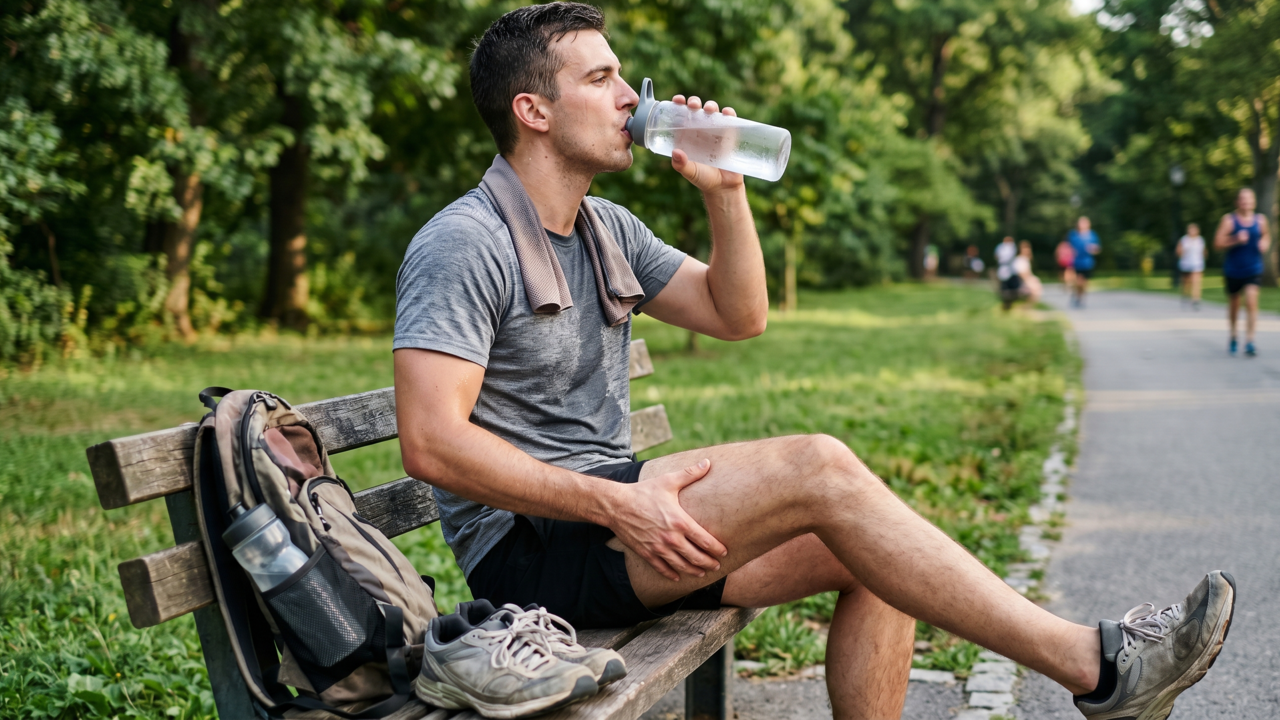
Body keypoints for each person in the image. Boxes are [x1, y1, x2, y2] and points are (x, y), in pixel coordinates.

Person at [393, 4, 1236, 718]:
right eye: (600, 79)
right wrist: (617, 504)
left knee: (871, 549)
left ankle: (1095, 669)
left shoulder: (606, 227)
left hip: (617, 512)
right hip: (535, 556)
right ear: (533, 110)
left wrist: (726, 193)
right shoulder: (465, 243)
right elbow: (431, 443)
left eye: (622, 77)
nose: (628, 97)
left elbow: (738, 314)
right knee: (822, 465)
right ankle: (1097, 667)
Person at [1213, 188, 1272, 356]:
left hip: (1253, 269)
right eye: (1242, 199)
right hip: (1233, 270)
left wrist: (1265, 244)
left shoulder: (1260, 220)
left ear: (1254, 202)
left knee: (1252, 301)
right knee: (1234, 305)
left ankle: (1250, 341)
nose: (1246, 202)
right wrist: (1235, 239)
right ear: (1237, 202)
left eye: (1249, 199)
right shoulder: (1229, 220)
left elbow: (1266, 236)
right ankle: (1233, 335)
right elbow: (1217, 244)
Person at [1067, 217, 1100, 307]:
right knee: (1078, 281)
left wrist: (1093, 249)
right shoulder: (1073, 235)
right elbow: (1068, 247)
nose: (1082, 225)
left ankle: (1080, 297)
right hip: (1076, 262)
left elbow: (1097, 249)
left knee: (1084, 283)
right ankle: (1077, 296)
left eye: (1085, 223)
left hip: (1088, 262)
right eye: (1081, 223)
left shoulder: (1093, 235)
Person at [1176, 223, 1206, 310]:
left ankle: (1196, 300)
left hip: (1197, 264)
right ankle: (1185, 296)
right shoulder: (1184, 240)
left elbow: (1204, 251)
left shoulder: (1200, 240)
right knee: (1186, 283)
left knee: (1196, 282)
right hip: (1186, 264)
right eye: (1190, 229)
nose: (1192, 231)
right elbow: (1178, 251)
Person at [995, 236, 1021, 310]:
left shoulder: (1000, 247)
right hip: (1006, 269)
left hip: (1007, 269)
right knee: (1007, 286)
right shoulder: (1007, 247)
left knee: (1008, 286)